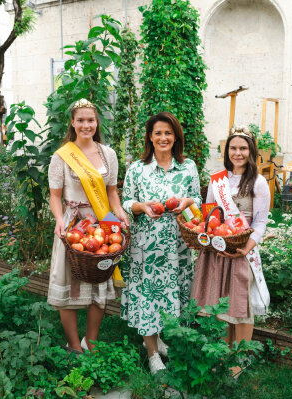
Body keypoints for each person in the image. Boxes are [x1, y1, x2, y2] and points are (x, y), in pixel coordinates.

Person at [121, 112, 201, 374]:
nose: (163, 137)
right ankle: (152, 353)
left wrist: (188, 202)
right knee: (149, 296)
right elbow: (125, 202)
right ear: (150, 137)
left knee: (173, 293)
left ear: (175, 136)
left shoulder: (188, 166)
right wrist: (141, 207)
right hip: (147, 247)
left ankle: (164, 340)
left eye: (168, 132)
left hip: (178, 246)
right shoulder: (137, 168)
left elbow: (198, 200)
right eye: (158, 133)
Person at [47, 98, 130, 354]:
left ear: (97, 122)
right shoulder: (61, 157)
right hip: (73, 226)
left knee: (100, 283)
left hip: (101, 223)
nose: (86, 125)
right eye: (80, 120)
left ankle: (90, 343)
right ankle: (74, 345)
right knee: (68, 284)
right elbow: (55, 196)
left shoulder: (109, 154)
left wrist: (119, 212)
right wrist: (60, 220)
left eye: (90, 120)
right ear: (72, 123)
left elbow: (112, 192)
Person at [190, 130, 270, 375]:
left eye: (243, 149)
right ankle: (222, 356)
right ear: (227, 152)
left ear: (251, 152)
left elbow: (260, 221)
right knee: (220, 302)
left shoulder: (258, 181)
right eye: (233, 148)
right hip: (219, 248)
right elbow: (211, 215)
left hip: (242, 250)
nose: (238, 153)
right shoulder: (218, 180)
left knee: (240, 303)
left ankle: (239, 360)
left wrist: (248, 246)